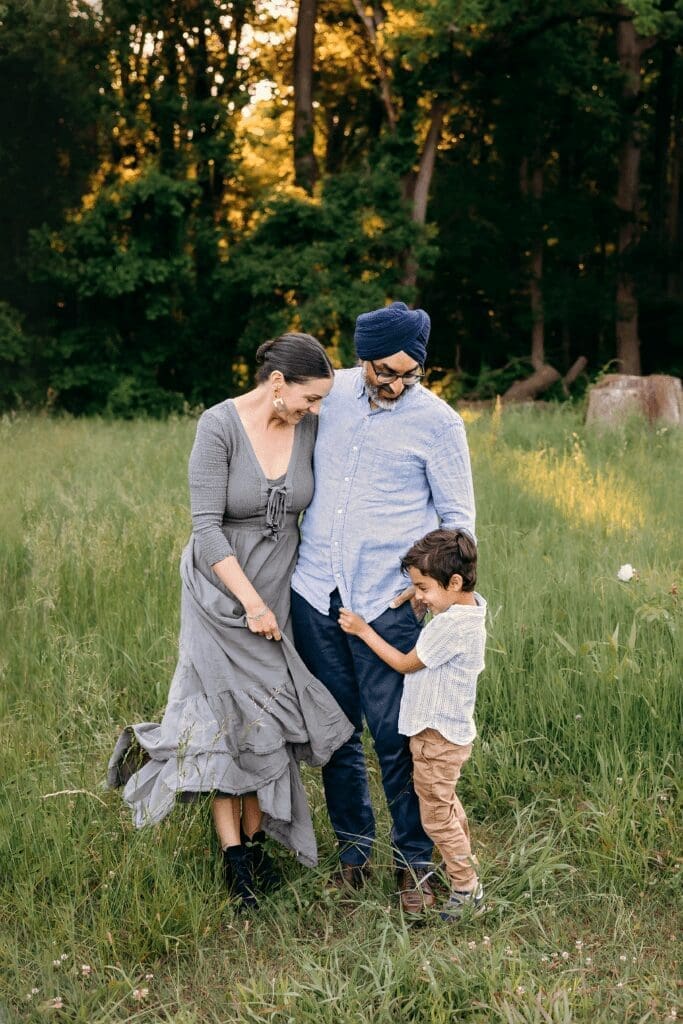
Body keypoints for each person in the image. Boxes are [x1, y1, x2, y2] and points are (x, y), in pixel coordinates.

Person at [108, 333, 353, 910]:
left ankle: (254, 836)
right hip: (221, 595)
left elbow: (333, 387)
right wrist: (251, 603)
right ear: (275, 385)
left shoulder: (308, 423)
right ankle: (236, 861)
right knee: (220, 719)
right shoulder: (216, 427)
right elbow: (207, 528)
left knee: (265, 720)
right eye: (309, 399)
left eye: (320, 400)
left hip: (277, 595)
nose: (315, 411)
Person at [290, 301, 476, 914]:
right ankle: (352, 856)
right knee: (336, 735)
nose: (394, 385)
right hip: (317, 593)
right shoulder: (330, 393)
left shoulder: (440, 424)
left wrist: (438, 599)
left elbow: (459, 523)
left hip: (388, 605)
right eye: (382, 372)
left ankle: (415, 865)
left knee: (398, 739)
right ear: (360, 356)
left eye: (409, 375)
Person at [338, 529, 486, 922]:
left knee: (436, 816)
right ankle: (467, 873)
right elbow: (438, 600)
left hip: (435, 739)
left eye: (422, 587)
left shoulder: (449, 626)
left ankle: (466, 888)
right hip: (447, 736)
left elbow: (405, 663)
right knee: (447, 808)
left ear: (454, 582)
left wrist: (363, 630)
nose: (417, 595)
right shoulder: (468, 611)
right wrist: (420, 594)